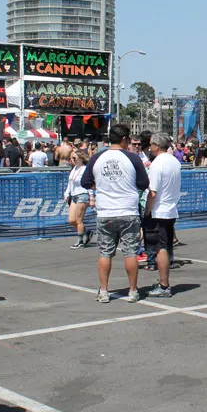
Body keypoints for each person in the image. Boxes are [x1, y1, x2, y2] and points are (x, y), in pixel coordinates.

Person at [81, 123, 149, 303]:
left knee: (105, 252)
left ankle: (104, 290)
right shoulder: (133, 159)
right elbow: (144, 183)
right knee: (130, 252)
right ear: (125, 139)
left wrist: (100, 184)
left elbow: (85, 182)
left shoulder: (97, 157)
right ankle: (133, 291)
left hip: (106, 211)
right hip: (128, 210)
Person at [143, 133, 181, 298]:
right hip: (170, 209)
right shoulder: (174, 161)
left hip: (159, 211)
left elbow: (153, 192)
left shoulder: (157, 163)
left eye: (151, 144)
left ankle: (164, 285)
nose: (150, 147)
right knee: (165, 246)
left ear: (157, 146)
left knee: (160, 248)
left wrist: (147, 211)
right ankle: (163, 282)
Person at [64, 150, 93, 249]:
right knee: (72, 220)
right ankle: (86, 232)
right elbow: (70, 183)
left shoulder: (85, 169)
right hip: (74, 195)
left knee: (78, 220)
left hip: (83, 194)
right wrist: (66, 193)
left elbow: (89, 184)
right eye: (71, 158)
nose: (72, 160)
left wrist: (91, 197)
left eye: (74, 158)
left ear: (80, 158)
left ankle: (80, 240)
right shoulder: (74, 169)